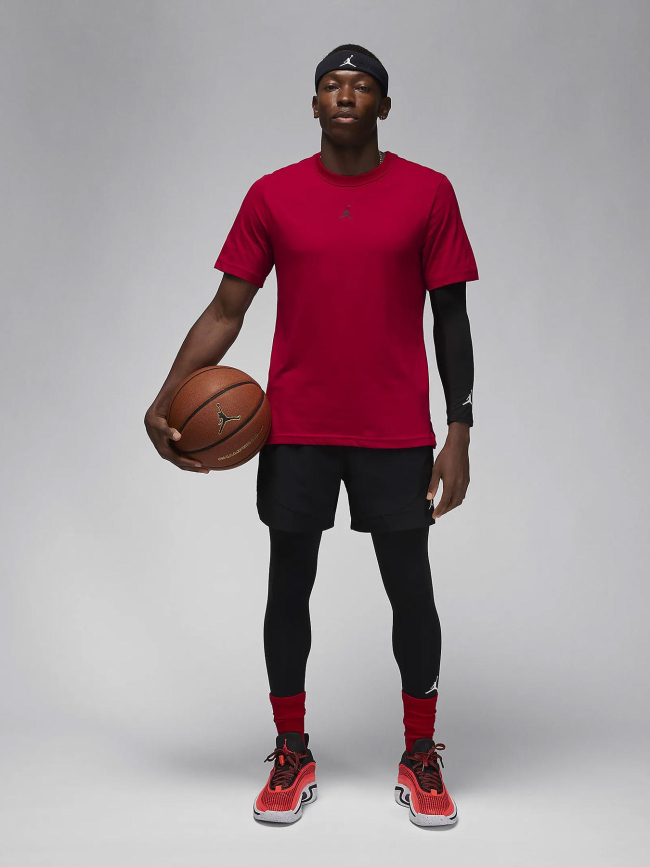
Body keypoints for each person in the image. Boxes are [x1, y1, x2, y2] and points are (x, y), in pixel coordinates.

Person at [144, 43, 478, 828]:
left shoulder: (429, 192)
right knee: (287, 583)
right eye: (332, 84)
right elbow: (227, 309)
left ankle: (420, 751)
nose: (346, 95)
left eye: (362, 86)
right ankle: (291, 748)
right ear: (315, 103)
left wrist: (459, 428)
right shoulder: (273, 195)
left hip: (395, 429)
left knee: (411, 586)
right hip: (294, 428)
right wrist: (164, 396)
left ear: (385, 105)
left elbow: (452, 318)